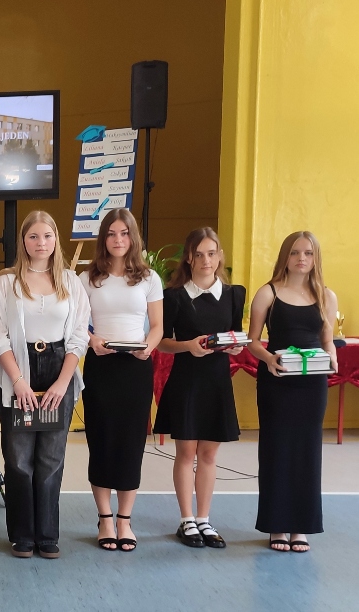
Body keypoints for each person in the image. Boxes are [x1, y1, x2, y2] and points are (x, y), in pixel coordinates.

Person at [0, 211, 90, 559]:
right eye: (33, 236)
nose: (41, 243)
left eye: (47, 236)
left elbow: (79, 336)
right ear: (23, 241)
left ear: (55, 240)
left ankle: (47, 534)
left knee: (51, 458)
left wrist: (63, 382)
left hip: (59, 369)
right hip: (18, 370)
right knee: (18, 460)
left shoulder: (71, 281)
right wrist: (17, 381)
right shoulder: (6, 282)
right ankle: (22, 535)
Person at [78, 208, 163, 552]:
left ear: (133, 237)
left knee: (131, 444)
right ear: (104, 238)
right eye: (111, 233)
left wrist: (148, 348)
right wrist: (92, 340)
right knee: (101, 441)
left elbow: (157, 326)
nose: (118, 239)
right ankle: (104, 518)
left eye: (124, 233)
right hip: (101, 367)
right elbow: (77, 324)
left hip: (136, 368)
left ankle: (125, 519)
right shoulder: (87, 278)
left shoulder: (149, 278)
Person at [247, 231, 338, 553]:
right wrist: (269, 358)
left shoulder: (326, 296)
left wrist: (332, 357)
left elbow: (327, 339)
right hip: (278, 380)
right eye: (296, 252)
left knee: (308, 451)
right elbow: (253, 341)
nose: (302, 258)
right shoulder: (268, 293)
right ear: (285, 256)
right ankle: (277, 525)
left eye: (308, 253)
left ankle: (301, 526)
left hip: (312, 384)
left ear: (315, 258)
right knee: (277, 450)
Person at [155, 227, 245, 549]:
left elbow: (237, 336)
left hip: (217, 382)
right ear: (189, 259)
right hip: (187, 381)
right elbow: (161, 342)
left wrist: (235, 346)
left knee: (209, 454)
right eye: (199, 254)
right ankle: (187, 520)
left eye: (211, 253)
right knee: (186, 452)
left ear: (220, 256)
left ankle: (204, 519)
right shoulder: (174, 296)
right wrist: (188, 346)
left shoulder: (235, 294)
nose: (206, 260)